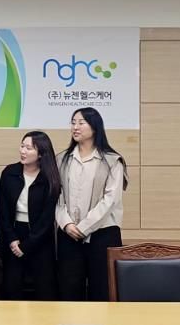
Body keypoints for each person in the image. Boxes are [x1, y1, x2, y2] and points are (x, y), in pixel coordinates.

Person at [56, 107, 128, 301]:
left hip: (102, 234)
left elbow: (110, 200)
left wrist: (83, 227)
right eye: (73, 122)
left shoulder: (112, 160)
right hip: (68, 234)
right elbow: (57, 195)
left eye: (81, 123)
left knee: (102, 290)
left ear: (95, 127)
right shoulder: (62, 159)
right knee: (69, 291)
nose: (75, 127)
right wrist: (66, 224)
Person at [0, 131, 60, 300]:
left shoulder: (50, 178)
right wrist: (12, 240)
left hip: (40, 238)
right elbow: (3, 211)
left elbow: (47, 218)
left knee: (45, 289)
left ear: (41, 154)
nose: (23, 151)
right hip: (14, 235)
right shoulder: (9, 173)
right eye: (22, 146)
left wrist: (27, 245)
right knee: (11, 287)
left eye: (29, 148)